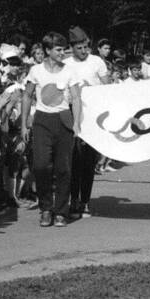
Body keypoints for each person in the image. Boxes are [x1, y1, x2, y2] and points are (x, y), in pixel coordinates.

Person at [21, 32, 81, 227]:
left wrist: (77, 124)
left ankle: (61, 211)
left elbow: (77, 98)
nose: (62, 53)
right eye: (58, 49)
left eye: (64, 49)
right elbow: (27, 96)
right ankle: (46, 208)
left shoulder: (69, 71)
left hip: (64, 120)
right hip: (42, 121)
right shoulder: (36, 71)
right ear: (47, 50)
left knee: (64, 168)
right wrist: (24, 124)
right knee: (40, 165)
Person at [66, 26, 108, 218]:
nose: (83, 51)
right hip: (72, 113)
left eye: (85, 47)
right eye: (79, 48)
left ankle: (85, 201)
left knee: (88, 161)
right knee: (74, 160)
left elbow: (108, 87)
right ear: (72, 48)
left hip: (93, 116)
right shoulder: (66, 64)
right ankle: (73, 199)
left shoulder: (97, 62)